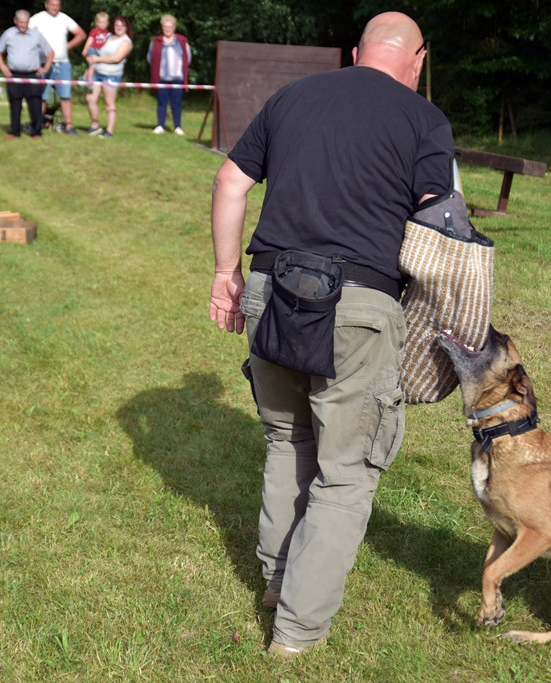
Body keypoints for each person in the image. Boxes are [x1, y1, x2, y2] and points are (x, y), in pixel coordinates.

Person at [208, 12, 454, 658]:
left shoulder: (292, 97)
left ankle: (277, 580)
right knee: (346, 472)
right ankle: (294, 634)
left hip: (269, 289)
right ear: (417, 61)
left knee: (288, 438)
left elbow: (231, 181)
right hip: (359, 305)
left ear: (354, 53)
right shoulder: (425, 120)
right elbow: (439, 222)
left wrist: (223, 275)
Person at [0, 10, 54, 139]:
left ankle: (36, 132)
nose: (23, 25)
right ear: (15, 21)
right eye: (21, 22)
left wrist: (46, 67)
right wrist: (2, 65)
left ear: (29, 22)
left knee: (35, 105)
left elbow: (50, 51)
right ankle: (14, 131)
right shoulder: (8, 34)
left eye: (26, 22)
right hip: (14, 75)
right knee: (15, 104)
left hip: (33, 75)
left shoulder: (36, 35)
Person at [29, 0, 86, 135]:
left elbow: (81, 34)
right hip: (42, 64)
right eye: (52, 4)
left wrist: (66, 47)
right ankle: (37, 124)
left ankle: (69, 126)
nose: (55, 7)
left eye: (57, 5)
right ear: (46, 5)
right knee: (40, 96)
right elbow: (25, 35)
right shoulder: (37, 19)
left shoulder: (64, 18)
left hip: (63, 64)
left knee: (65, 96)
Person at [84, 16, 131, 138]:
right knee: (90, 99)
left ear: (126, 27)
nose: (119, 27)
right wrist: (89, 68)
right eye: (116, 25)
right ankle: (95, 125)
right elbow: (96, 50)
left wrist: (97, 59)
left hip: (111, 75)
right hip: (97, 73)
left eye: (122, 25)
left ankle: (109, 131)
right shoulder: (109, 37)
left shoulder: (126, 42)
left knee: (109, 102)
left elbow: (116, 58)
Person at [147, 14, 190, 135]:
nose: (167, 29)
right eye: (165, 27)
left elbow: (188, 58)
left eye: (169, 27)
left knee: (176, 103)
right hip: (161, 78)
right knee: (161, 103)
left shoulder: (182, 41)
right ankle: (160, 125)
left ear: (174, 27)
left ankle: (177, 126)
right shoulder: (156, 41)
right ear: (162, 27)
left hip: (177, 78)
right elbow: (150, 58)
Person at [81, 11, 110, 82]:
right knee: (93, 65)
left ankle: (84, 77)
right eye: (100, 22)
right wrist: (85, 49)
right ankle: (90, 80)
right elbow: (90, 40)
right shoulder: (95, 31)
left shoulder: (108, 33)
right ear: (96, 23)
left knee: (95, 65)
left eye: (104, 22)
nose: (102, 24)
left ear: (107, 23)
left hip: (101, 51)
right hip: (93, 49)